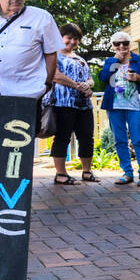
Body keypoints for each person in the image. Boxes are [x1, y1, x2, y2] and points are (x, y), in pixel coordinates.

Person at [99, 31, 140, 187]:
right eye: (117, 44)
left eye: (125, 43)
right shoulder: (110, 61)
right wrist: (113, 63)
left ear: (130, 44)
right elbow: (103, 79)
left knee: (138, 140)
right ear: (113, 46)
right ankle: (127, 172)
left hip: (136, 106)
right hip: (115, 106)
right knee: (120, 141)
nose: (121, 46)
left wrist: (138, 78)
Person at [48, 23, 96, 185]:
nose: (72, 41)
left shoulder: (80, 59)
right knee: (62, 137)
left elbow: (90, 79)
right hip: (63, 103)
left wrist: (87, 86)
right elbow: (55, 75)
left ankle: (87, 172)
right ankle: (61, 174)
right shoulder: (54, 55)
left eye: (76, 39)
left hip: (84, 104)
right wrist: (78, 86)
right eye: (69, 38)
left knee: (87, 138)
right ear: (61, 38)